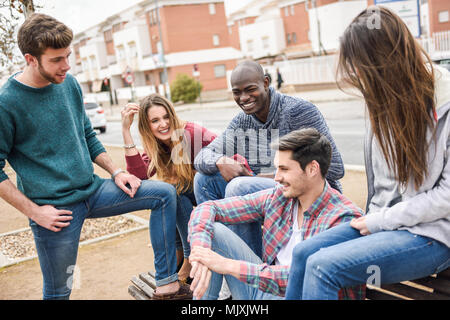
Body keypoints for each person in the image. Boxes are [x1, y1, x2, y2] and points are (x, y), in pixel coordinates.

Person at [0, 13, 190, 300]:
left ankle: (166, 282)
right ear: (31, 59)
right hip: (56, 211)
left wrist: (116, 172)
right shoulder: (7, 103)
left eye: (68, 56)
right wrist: (34, 212)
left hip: (95, 190)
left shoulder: (69, 83)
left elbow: (88, 135)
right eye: (56, 60)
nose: (66, 66)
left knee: (164, 194)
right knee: (59, 291)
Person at [284, 6, 450, 300]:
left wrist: (378, 222)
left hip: (433, 235)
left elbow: (445, 199)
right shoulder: (387, 100)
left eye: (361, 66)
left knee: (323, 267)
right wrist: (375, 219)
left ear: (385, 61)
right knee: (303, 252)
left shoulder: (444, 105)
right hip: (389, 222)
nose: (357, 75)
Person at [187, 128, 364, 300]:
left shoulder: (343, 219)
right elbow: (209, 208)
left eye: (284, 169)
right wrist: (200, 252)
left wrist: (228, 265)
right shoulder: (280, 197)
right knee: (212, 232)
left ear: (312, 169)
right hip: (263, 290)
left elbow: (305, 278)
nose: (276, 177)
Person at [193, 60, 344, 256]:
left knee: (239, 186)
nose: (244, 97)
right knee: (204, 181)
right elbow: (202, 156)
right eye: (237, 92)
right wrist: (221, 161)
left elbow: (335, 169)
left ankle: (253, 273)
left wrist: (266, 177)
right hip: (272, 197)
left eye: (250, 89)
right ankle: (232, 258)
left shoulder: (297, 111)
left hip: (312, 195)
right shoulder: (243, 121)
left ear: (265, 83)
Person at [121, 93, 217, 282]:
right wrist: (126, 131)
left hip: (216, 193)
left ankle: (190, 256)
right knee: (167, 194)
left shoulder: (190, 133)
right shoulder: (157, 144)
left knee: (174, 191)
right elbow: (139, 177)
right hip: (197, 194)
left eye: (166, 117)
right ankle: (179, 253)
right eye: (155, 120)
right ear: (147, 126)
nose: (163, 124)